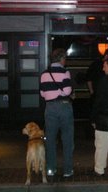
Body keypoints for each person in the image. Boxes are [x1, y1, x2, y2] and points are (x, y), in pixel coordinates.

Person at [40, 48, 74, 179]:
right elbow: (67, 91)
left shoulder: (44, 74)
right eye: (65, 58)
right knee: (67, 139)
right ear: (61, 59)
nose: (65, 61)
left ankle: (50, 169)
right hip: (64, 107)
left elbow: (42, 93)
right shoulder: (65, 72)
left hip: (49, 108)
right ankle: (67, 170)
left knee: (50, 140)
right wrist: (60, 92)